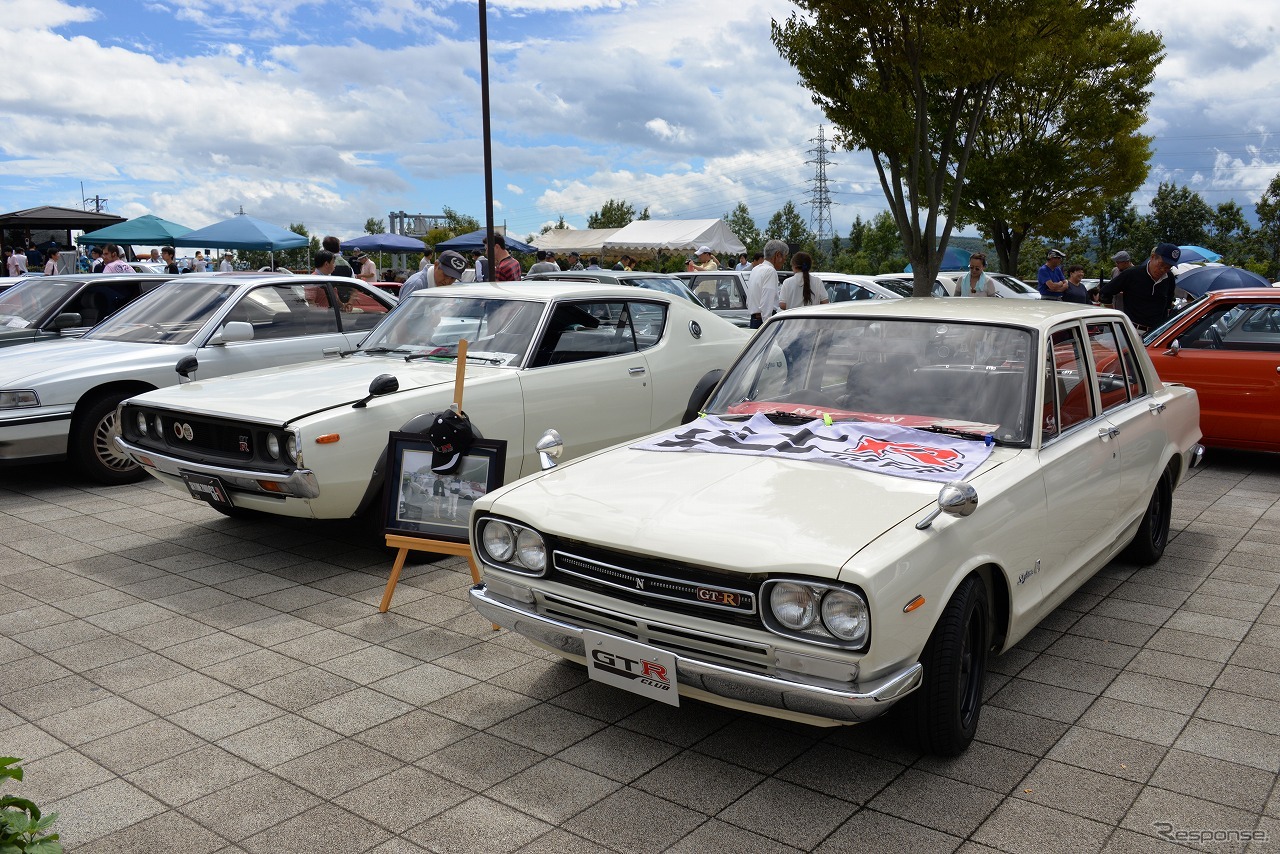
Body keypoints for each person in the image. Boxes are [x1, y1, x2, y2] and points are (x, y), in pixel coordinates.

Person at [1100, 243, 1180, 333]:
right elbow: (1105, 293)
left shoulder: (1169, 278)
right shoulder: (1132, 274)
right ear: (1153, 257)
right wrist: (1114, 316)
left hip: (1156, 332)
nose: (1162, 270)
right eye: (1161, 265)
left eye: (1167, 267)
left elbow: (1168, 302)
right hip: (1132, 330)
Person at [746, 239, 787, 329]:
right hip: (764, 321)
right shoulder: (770, 271)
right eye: (784, 258)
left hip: (754, 319)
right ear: (778, 255)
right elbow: (767, 302)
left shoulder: (756, 269)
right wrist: (768, 327)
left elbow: (749, 299)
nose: (784, 261)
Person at [398, 249, 467, 298]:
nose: (447, 281)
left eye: (453, 278)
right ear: (436, 265)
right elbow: (403, 316)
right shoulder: (416, 285)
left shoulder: (441, 285)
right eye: (446, 275)